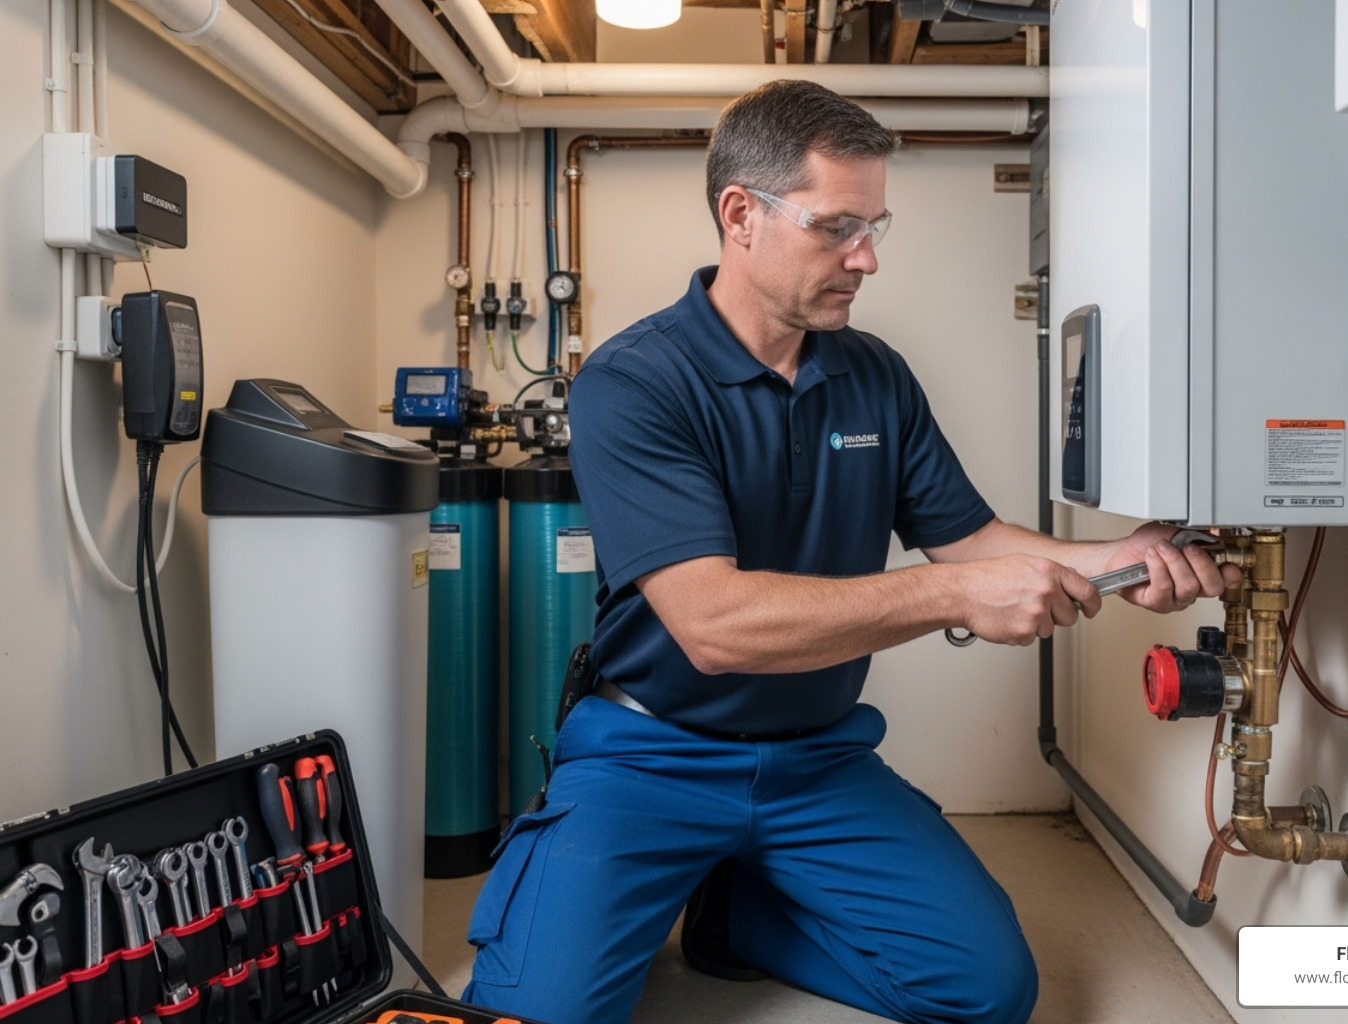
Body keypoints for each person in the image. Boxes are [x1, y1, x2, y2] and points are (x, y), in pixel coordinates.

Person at [463, 79, 1238, 1024]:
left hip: (815, 761)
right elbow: (712, 625)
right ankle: (679, 879)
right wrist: (952, 599)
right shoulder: (635, 382)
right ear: (740, 215)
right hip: (647, 753)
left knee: (986, 992)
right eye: (837, 227)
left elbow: (970, 540)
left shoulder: (872, 375)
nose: (866, 258)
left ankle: (736, 915)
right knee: (534, 1015)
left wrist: (1124, 554)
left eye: (875, 226)